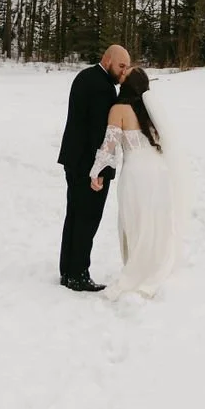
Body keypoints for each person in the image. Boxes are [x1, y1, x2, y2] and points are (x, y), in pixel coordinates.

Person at [89, 66, 176, 300]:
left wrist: (95, 171)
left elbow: (109, 146)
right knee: (154, 221)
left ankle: (137, 270)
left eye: (126, 73)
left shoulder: (119, 109)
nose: (122, 72)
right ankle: (153, 267)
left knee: (135, 221)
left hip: (136, 174)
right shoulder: (149, 111)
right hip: (158, 173)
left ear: (128, 84)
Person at [57, 43, 131, 291]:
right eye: (121, 65)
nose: (123, 72)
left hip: (74, 159)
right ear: (107, 59)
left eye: (127, 68)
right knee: (87, 219)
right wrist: (97, 170)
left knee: (75, 215)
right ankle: (78, 274)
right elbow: (98, 134)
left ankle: (68, 270)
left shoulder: (85, 76)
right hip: (89, 164)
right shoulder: (102, 87)